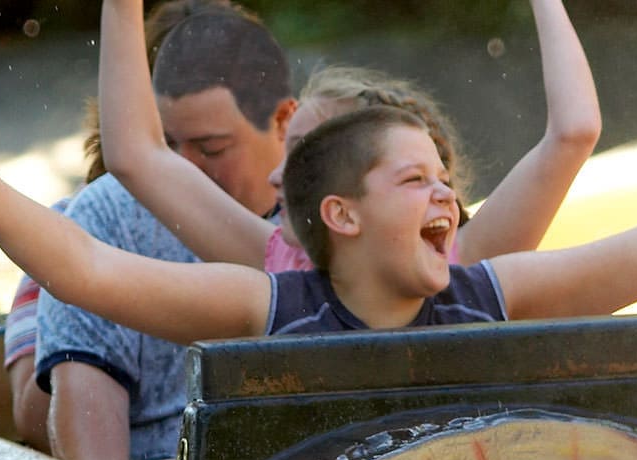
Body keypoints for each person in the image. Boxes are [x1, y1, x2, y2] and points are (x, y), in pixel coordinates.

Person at [0, 45, 637, 460]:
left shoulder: (481, 293)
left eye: (446, 180)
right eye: (416, 180)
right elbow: (86, 267)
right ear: (341, 216)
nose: (448, 198)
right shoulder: (267, 302)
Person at [97, 0, 601, 273]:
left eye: (300, 157)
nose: (276, 176)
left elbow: (575, 133)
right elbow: (134, 157)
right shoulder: (278, 268)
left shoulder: (464, 269)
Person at [35, 0, 297, 460]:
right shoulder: (101, 217)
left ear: (285, 121)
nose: (181, 171)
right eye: (167, 145)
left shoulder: (332, 223)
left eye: (212, 148)